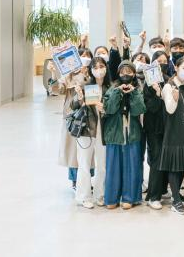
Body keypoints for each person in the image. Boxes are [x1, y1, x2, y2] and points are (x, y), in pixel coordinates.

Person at [102, 61, 146, 209]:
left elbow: (139, 110)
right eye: (123, 72)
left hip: (132, 133)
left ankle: (130, 197)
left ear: (134, 74)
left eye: (129, 72)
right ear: (118, 73)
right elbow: (109, 109)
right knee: (113, 166)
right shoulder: (112, 89)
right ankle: (111, 198)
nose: (125, 75)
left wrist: (133, 93)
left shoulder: (138, 89)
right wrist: (117, 92)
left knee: (132, 165)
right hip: (114, 133)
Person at [70, 56, 109, 208]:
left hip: (104, 131)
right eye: (95, 67)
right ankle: (84, 196)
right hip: (87, 129)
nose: (99, 70)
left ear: (106, 67)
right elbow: (73, 105)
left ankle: (100, 194)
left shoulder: (110, 87)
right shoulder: (86, 85)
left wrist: (104, 109)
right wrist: (80, 98)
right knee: (84, 164)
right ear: (91, 70)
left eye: (101, 66)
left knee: (102, 165)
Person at [160, 58, 184, 215]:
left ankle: (177, 194)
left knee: (182, 163)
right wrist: (174, 99)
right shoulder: (169, 86)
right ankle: (175, 201)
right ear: (176, 68)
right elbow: (169, 109)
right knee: (174, 165)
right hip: (174, 129)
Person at [58, 49, 92, 190]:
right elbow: (59, 89)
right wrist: (54, 73)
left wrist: (85, 75)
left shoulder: (93, 72)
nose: (85, 58)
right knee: (73, 150)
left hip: (90, 113)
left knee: (88, 148)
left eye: (88, 56)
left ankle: (87, 179)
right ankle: (75, 180)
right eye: (82, 55)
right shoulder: (68, 75)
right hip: (73, 115)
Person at [144, 50, 170, 210]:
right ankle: (153, 196)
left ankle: (162, 189)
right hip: (153, 128)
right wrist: (158, 94)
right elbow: (150, 107)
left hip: (167, 126)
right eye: (159, 61)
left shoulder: (169, 80)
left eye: (165, 61)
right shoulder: (148, 82)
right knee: (157, 159)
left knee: (165, 158)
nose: (162, 64)